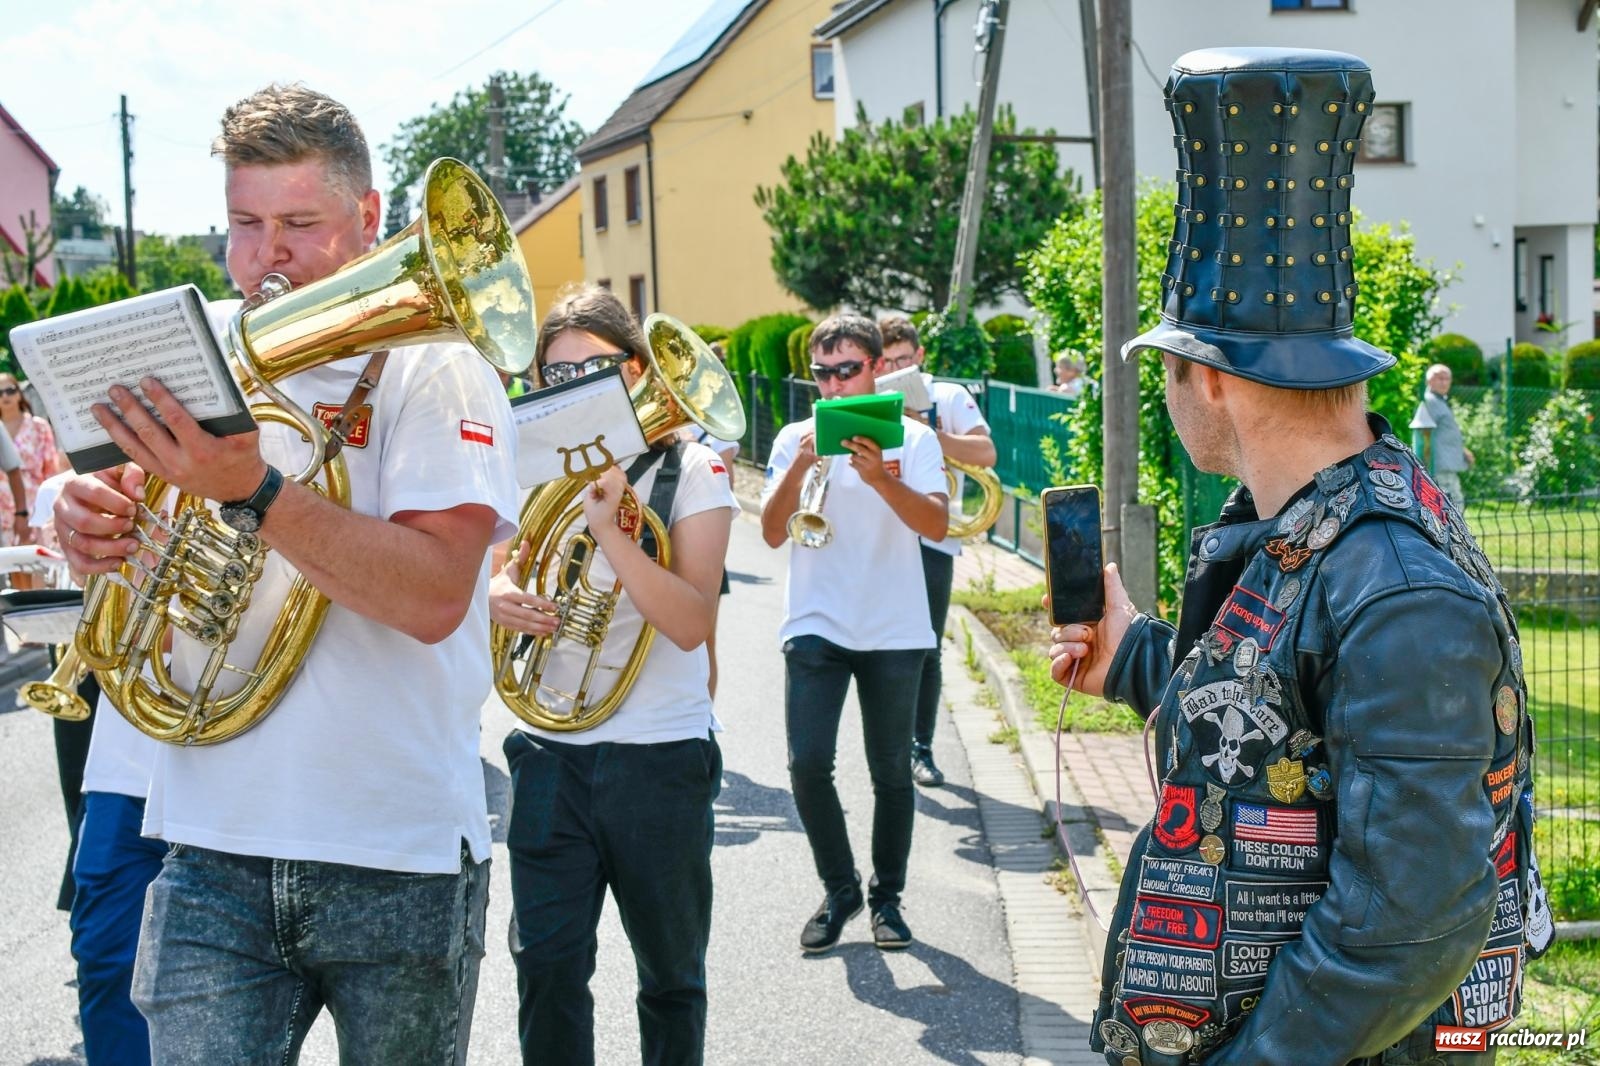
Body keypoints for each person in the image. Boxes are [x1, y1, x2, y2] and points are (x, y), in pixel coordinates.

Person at [1049, 49, 1548, 1065]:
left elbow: (1411, 921)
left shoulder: (1398, 589)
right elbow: (1285, 719)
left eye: (1169, 367)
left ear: (1211, 377)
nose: (1167, 391)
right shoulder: (1305, 524)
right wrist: (1137, 659)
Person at [53, 83, 520, 1063]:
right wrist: (88, 522)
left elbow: (437, 595)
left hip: (394, 853)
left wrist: (256, 492)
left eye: (300, 223)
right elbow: (127, 526)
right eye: (245, 224)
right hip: (207, 845)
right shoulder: (198, 348)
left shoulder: (436, 363)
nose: (268, 254)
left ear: (368, 220)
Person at [490, 284, 736, 1065]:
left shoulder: (693, 470)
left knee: (670, 978)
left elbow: (692, 623)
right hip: (548, 754)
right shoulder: (528, 467)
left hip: (659, 757)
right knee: (547, 968)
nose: (576, 390)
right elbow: (497, 569)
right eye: (556, 376)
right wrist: (500, 595)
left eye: (595, 369)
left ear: (635, 371)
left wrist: (615, 536)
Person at [760, 313, 947, 953]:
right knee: (807, 763)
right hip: (816, 621)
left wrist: (879, 477)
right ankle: (839, 889)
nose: (835, 386)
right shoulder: (794, 437)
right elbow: (770, 531)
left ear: (876, 368)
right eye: (823, 374)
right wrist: (799, 467)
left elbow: (937, 526)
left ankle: (886, 900)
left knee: (891, 771)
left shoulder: (916, 440)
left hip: (895, 628)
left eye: (848, 371)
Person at [877, 316, 996, 788]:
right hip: (883, 539)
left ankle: (920, 748)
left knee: (927, 648)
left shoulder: (946, 395)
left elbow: (986, 453)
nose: (895, 368)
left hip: (933, 539)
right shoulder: (872, 401)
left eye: (902, 360)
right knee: (882, 646)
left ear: (919, 358)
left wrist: (928, 432)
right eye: (886, 362)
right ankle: (888, 746)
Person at [1417, 362, 1474, 509]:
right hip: (1438, 467)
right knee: (1451, 507)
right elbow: (1425, 433)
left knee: (1455, 504)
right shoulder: (1429, 401)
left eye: (1447, 378)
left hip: (1447, 465)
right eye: (1439, 378)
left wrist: (1463, 451)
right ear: (1429, 381)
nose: (1444, 382)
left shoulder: (1439, 401)